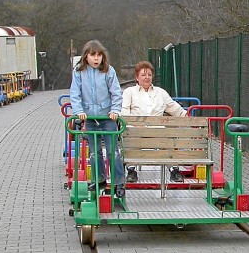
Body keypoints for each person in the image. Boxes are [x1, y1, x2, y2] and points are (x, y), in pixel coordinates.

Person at [69, 40, 125, 198]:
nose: (96, 58)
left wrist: (115, 110)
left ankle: (118, 182)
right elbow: (75, 93)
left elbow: (116, 92)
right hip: (90, 117)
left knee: (113, 152)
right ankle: (99, 179)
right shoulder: (79, 72)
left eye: (99, 55)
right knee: (94, 152)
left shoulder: (108, 71)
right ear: (86, 56)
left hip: (107, 116)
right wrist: (79, 111)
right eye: (92, 55)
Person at [121, 60, 188, 183]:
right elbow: (124, 112)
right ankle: (131, 170)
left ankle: (174, 170)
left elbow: (173, 107)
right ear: (137, 77)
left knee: (167, 137)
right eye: (143, 75)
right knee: (131, 135)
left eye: (149, 75)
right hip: (137, 129)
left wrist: (185, 115)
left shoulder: (160, 92)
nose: (147, 77)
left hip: (158, 130)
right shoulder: (129, 92)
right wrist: (136, 124)